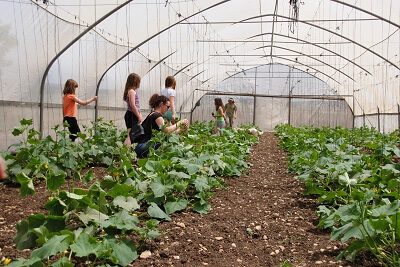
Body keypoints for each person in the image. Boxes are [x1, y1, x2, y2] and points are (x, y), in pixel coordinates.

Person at [135, 94, 189, 158]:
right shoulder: (157, 116)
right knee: (164, 141)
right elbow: (167, 130)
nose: (168, 109)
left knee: (164, 139)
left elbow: (166, 136)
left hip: (141, 148)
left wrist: (180, 130)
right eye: (168, 107)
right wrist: (180, 122)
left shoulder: (153, 114)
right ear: (161, 104)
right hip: (143, 148)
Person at [123, 73, 142, 145]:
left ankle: (126, 152)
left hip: (130, 114)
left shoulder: (129, 91)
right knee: (130, 135)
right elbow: (133, 105)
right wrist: (138, 115)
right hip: (132, 115)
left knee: (130, 135)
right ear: (135, 82)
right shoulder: (132, 91)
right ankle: (127, 152)